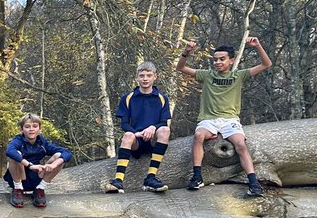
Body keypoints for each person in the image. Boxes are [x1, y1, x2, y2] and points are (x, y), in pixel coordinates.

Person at [176, 38, 273, 197]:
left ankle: (253, 183)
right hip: (209, 119)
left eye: (222, 59)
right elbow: (180, 67)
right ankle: (197, 176)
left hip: (230, 120)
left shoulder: (238, 76)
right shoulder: (207, 75)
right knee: (199, 135)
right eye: (215, 59)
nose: (218, 62)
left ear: (231, 60)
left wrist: (257, 46)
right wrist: (186, 52)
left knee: (240, 144)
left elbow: (266, 64)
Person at [105, 62, 173, 194]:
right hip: (136, 140)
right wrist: (137, 133)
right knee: (127, 135)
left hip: (153, 140)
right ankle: (118, 181)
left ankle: (151, 177)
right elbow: (124, 124)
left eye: (148, 75)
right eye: (142, 75)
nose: (145, 78)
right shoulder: (128, 98)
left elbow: (163, 122)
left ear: (155, 77)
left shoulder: (162, 98)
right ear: (137, 77)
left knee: (165, 130)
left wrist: (152, 128)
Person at [4, 114, 71, 208]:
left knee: (59, 156)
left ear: (40, 129)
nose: (31, 129)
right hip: (19, 176)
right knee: (15, 155)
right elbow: (9, 151)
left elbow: (67, 153)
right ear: (21, 129)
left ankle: (40, 188)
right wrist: (30, 165)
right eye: (27, 127)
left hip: (37, 176)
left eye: (35, 126)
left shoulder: (43, 143)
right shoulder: (18, 140)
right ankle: (18, 189)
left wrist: (53, 165)